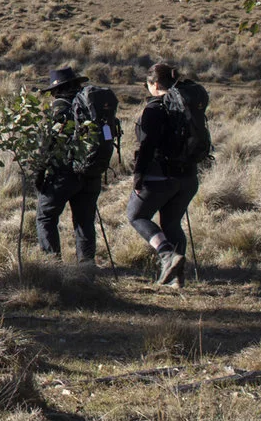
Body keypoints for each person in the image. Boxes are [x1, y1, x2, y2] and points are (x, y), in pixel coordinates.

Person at [128, 60, 208, 286]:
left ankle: (167, 256)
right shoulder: (185, 108)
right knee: (172, 224)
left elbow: (147, 146)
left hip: (160, 177)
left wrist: (138, 175)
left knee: (137, 215)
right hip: (188, 177)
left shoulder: (154, 109)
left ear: (154, 84)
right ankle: (177, 279)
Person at [34, 66, 110, 265]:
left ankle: (53, 264)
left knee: (46, 217)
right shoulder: (93, 107)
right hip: (91, 171)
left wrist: (39, 173)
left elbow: (46, 144)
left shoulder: (58, 109)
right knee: (84, 221)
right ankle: (87, 265)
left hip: (63, 173)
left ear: (57, 90)